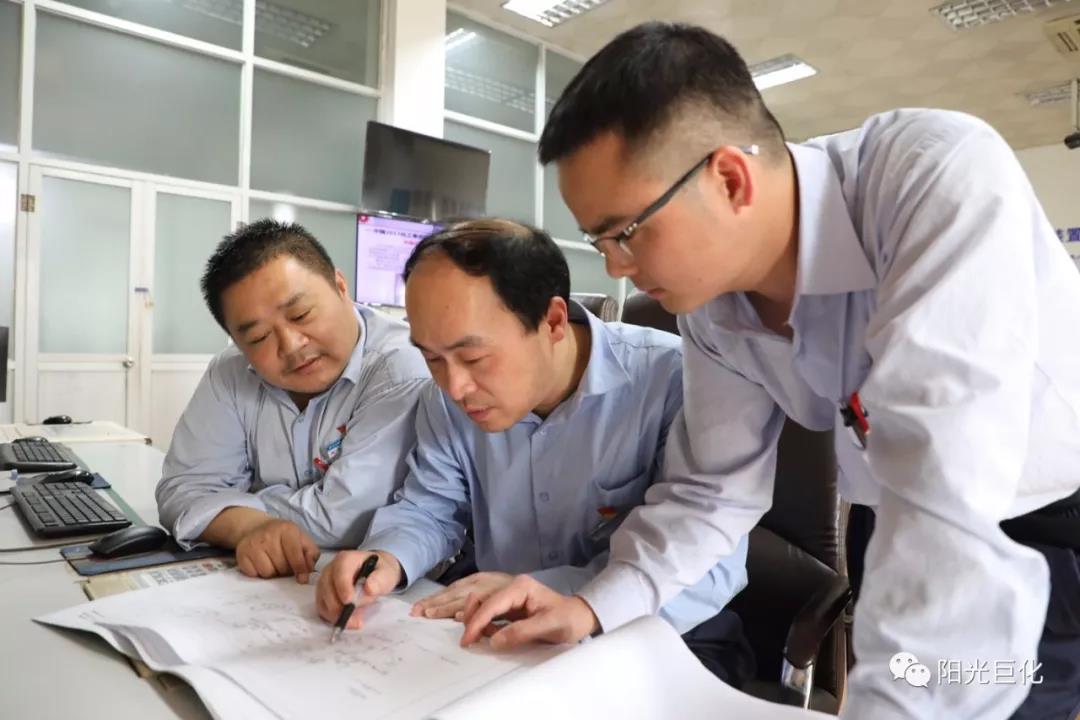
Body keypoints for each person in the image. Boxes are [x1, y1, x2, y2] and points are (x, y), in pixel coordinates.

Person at [455, 22, 1080, 720]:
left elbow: (943, 477)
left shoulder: (930, 176)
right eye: (598, 241)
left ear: (729, 178)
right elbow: (712, 491)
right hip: (891, 517)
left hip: (1037, 518)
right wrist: (591, 607)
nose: (616, 268)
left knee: (1007, 698)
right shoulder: (712, 306)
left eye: (625, 233)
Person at [314, 219, 754, 686]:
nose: (455, 386)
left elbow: (709, 563)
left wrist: (548, 590)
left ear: (553, 321)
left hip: (662, 633)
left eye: (474, 358)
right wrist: (385, 559)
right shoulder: (442, 400)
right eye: (432, 358)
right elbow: (429, 508)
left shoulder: (675, 382)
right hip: (504, 625)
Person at [156, 219, 429, 583]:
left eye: (301, 315)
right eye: (259, 337)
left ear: (341, 286)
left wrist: (233, 504)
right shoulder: (230, 373)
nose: (291, 345)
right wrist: (251, 527)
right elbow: (180, 490)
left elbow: (344, 518)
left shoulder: (401, 368)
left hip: (382, 590)